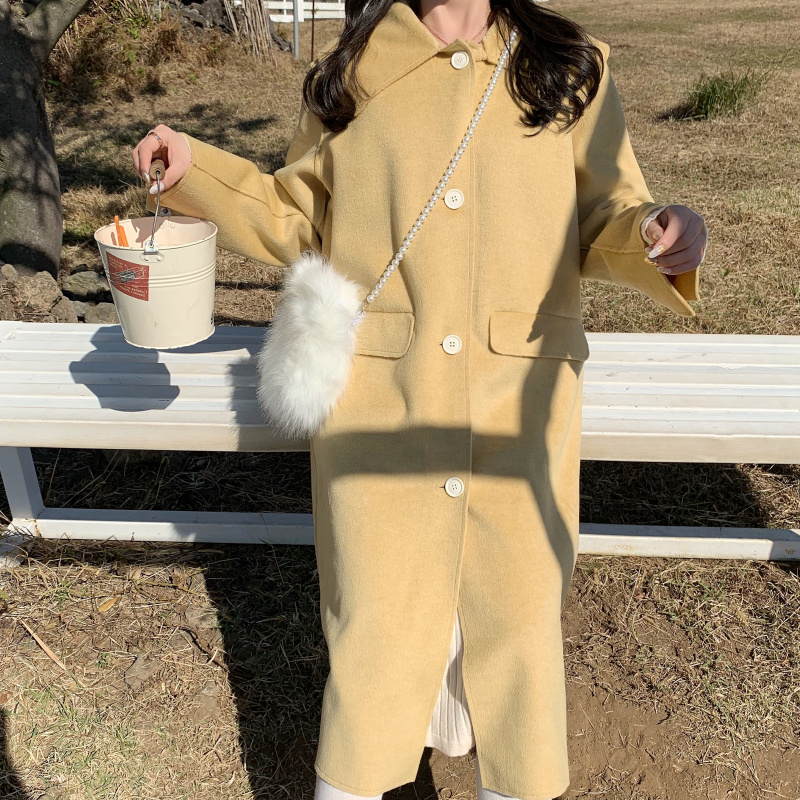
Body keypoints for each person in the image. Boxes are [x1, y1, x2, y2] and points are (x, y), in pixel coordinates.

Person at [131, 0, 708, 798]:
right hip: (381, 402)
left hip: (519, 403)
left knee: (519, 629)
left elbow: (605, 209)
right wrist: (196, 170)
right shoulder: (355, 69)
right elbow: (295, 215)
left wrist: (656, 233)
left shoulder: (569, 66)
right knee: (375, 627)